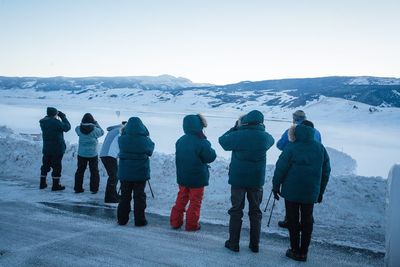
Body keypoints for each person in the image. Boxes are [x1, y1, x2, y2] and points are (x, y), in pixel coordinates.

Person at [272, 121, 331, 262]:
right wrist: (320, 191)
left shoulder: (291, 147)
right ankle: (303, 253)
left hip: (291, 191)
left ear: (296, 132)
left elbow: (280, 168)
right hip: (310, 191)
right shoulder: (320, 148)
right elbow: (326, 172)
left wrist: (276, 186)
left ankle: (294, 250)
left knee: (292, 220)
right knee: (307, 221)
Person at [219, 110, 275, 253]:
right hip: (256, 180)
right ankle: (254, 244)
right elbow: (272, 140)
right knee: (255, 212)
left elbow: (222, 141)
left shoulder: (239, 135)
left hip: (238, 179)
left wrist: (235, 128)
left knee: (236, 210)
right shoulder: (265, 138)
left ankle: (233, 243)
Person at [170, 114, 217, 231]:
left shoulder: (180, 140)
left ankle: (175, 222)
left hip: (183, 176)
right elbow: (210, 157)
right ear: (199, 125)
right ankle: (191, 225)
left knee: (181, 199)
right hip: (197, 178)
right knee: (195, 202)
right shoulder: (201, 141)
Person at [276, 110, 322, 228]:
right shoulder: (316, 132)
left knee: (293, 198)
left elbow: (280, 145)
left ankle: (290, 221)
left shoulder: (292, 131)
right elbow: (319, 149)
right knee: (307, 203)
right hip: (313, 171)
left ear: (295, 118)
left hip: (293, 169)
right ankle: (306, 223)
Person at [117, 117, 155, 227]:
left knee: (125, 197)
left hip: (125, 174)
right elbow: (150, 150)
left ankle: (122, 220)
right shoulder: (145, 140)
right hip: (140, 173)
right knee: (139, 197)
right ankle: (140, 220)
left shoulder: (122, 139)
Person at [39, 107, 71, 191]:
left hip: (46, 148)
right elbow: (67, 127)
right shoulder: (56, 122)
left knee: (45, 165)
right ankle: (55, 185)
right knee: (56, 167)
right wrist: (63, 117)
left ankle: (42, 183)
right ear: (54, 114)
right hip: (57, 148)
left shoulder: (43, 122)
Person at [74, 113, 104, 194]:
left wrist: (82, 124)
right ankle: (94, 189)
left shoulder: (78, 129)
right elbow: (102, 132)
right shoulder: (95, 130)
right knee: (94, 171)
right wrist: (96, 123)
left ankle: (78, 188)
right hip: (92, 154)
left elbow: (76, 130)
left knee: (80, 171)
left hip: (81, 154)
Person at [99, 121, 127, 203]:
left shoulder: (115, 130)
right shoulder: (120, 131)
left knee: (114, 175)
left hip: (106, 154)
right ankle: (109, 197)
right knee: (113, 176)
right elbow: (123, 144)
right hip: (109, 155)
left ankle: (113, 194)